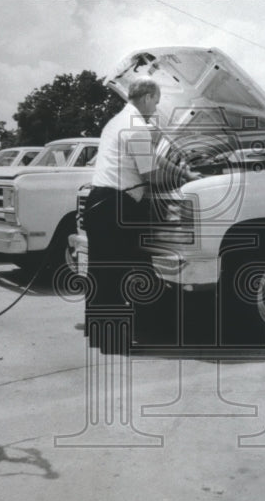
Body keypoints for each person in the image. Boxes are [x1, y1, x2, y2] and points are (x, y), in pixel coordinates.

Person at [83, 77, 200, 347]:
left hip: (100, 202)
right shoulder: (136, 126)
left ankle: (100, 337)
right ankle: (114, 342)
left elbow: (155, 158)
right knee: (119, 274)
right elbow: (151, 173)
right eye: (156, 102)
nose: (156, 109)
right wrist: (185, 182)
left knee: (101, 273)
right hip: (117, 205)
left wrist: (185, 171)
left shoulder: (117, 122)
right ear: (146, 97)